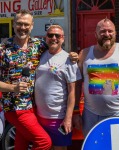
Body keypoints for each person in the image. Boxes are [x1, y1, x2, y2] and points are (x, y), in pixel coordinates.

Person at [0, 9, 53, 150]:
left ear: (32, 26)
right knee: (44, 142)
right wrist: (13, 88)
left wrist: (73, 57)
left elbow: (56, 51)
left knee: (21, 143)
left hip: (34, 105)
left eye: (26, 24)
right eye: (19, 24)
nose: (22, 28)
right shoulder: (3, 48)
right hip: (14, 107)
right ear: (13, 24)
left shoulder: (39, 45)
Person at [34, 25, 82, 150]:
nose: (54, 38)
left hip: (58, 118)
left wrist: (68, 118)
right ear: (46, 38)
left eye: (57, 36)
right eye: (50, 35)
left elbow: (73, 92)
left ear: (63, 39)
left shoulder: (69, 60)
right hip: (40, 117)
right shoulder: (40, 55)